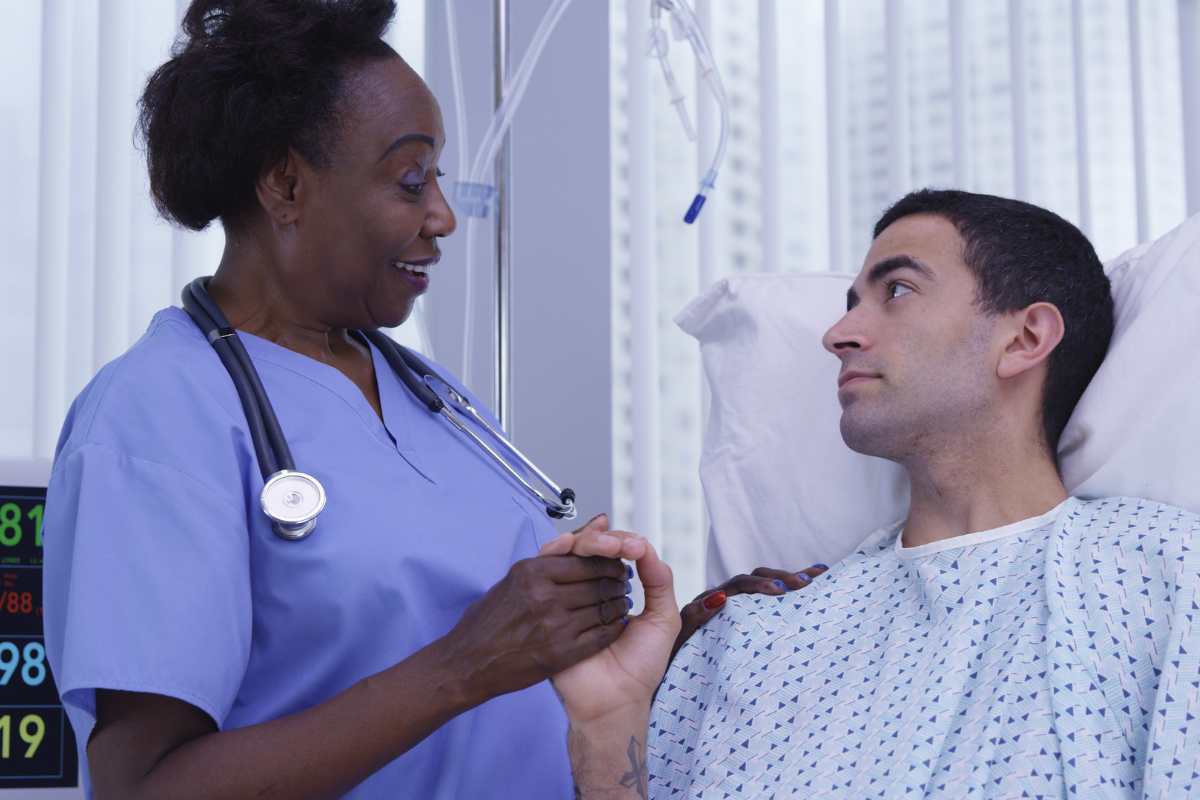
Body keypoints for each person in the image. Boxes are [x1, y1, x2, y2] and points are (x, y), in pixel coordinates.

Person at [40, 1, 640, 797]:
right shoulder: (157, 415)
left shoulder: (432, 397)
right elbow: (144, 789)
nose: (444, 216)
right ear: (287, 184)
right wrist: (464, 665)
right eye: (411, 178)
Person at [549, 190, 1200, 798]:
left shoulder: (1165, 579)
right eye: (850, 305)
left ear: (1025, 338)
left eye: (897, 290)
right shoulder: (753, 641)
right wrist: (608, 726)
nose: (838, 336)